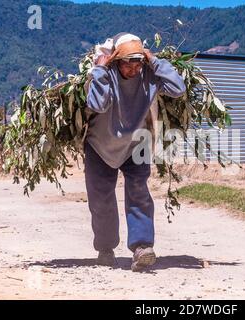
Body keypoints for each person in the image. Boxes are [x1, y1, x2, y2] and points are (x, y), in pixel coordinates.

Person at [84, 32, 186, 271]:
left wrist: (154, 61)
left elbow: (177, 88)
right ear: (116, 60)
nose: (133, 68)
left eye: (138, 62)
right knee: (101, 199)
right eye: (128, 63)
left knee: (139, 192)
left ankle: (142, 248)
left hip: (136, 143)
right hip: (101, 144)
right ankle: (105, 248)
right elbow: (96, 105)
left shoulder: (149, 74)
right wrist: (99, 70)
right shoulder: (104, 74)